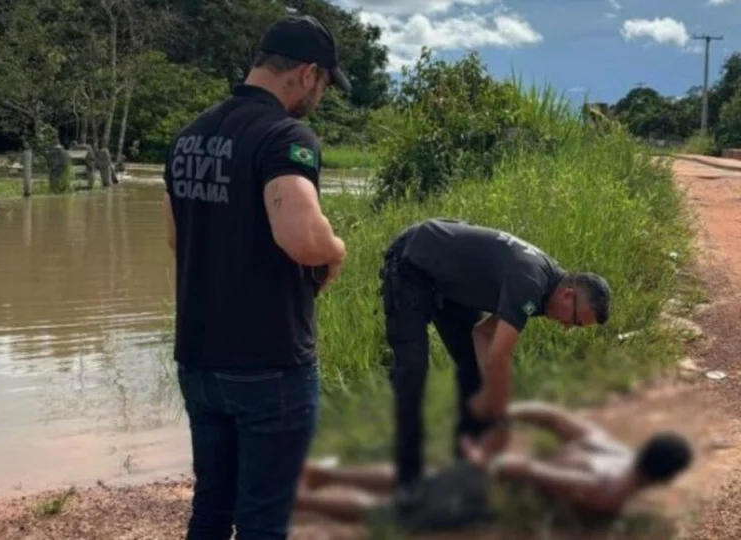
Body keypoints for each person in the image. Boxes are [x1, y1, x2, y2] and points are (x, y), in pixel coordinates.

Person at [162, 14, 349, 540]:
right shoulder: (285, 136)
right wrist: (336, 250)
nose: (321, 96)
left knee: (212, 509)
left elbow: (176, 238)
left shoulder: (189, 136)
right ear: (307, 73)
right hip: (268, 362)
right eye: (325, 84)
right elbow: (302, 237)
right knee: (268, 519)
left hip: (198, 357)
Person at [378, 218, 613, 499]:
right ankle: (407, 481)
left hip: (449, 285)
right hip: (413, 263)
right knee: (413, 371)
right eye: (574, 321)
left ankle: (464, 469)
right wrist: (500, 415)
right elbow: (500, 357)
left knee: (473, 375)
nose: (566, 327)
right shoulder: (531, 281)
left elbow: (483, 335)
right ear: (567, 294)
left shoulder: (545, 289)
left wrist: (487, 395)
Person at [293, 401, 692, 525]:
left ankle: (324, 474)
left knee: (417, 480)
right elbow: (529, 472)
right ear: (666, 477)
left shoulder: (610, 447)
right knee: (394, 513)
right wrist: (489, 462)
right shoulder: (608, 489)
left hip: (494, 476)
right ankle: (300, 501)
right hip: (493, 491)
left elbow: (552, 417)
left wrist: (506, 414)